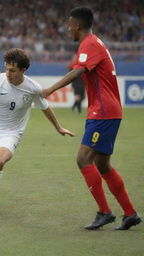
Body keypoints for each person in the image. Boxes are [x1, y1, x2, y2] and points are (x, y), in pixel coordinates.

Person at [42, 7, 141, 230]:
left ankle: (105, 212)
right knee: (102, 163)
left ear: (77, 25)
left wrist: (50, 90)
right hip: (105, 110)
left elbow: (77, 72)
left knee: (83, 158)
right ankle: (130, 213)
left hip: (103, 111)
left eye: (69, 25)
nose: (68, 29)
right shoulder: (94, 42)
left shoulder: (89, 43)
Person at [0, 48, 75, 222]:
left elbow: (45, 107)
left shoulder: (32, 88)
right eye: (6, 69)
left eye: (13, 70)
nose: (8, 74)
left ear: (23, 70)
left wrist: (59, 127)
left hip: (10, 134)